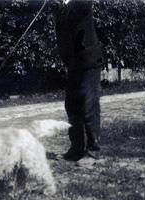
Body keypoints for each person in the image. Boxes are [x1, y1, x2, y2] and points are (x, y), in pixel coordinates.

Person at [55, 0, 103, 161]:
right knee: (72, 107)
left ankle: (93, 151)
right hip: (74, 64)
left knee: (89, 106)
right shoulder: (59, 9)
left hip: (89, 61)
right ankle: (76, 149)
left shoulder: (82, 3)